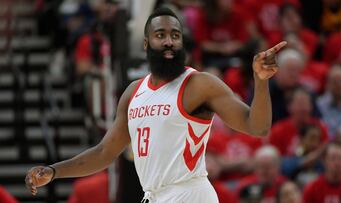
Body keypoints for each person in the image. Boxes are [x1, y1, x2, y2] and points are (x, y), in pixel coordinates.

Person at [25, 7, 287, 203]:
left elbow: (258, 127)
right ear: (147, 43)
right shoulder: (133, 92)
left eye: (175, 35)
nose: (169, 41)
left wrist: (260, 82)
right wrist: (53, 171)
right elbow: (104, 152)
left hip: (189, 193)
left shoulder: (199, 84)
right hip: (153, 196)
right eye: (160, 35)